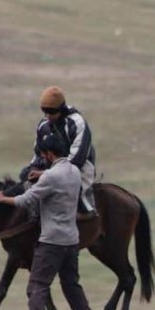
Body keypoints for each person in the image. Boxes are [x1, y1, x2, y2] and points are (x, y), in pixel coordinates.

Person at [0, 133, 101, 310]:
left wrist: (2, 198)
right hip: (72, 239)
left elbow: (27, 199)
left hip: (52, 240)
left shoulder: (50, 177)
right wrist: (43, 174)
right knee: (71, 284)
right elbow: (58, 174)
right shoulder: (73, 171)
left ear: (50, 154)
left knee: (37, 285)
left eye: (44, 155)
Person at [20, 86, 97, 218]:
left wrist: (46, 174)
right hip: (51, 168)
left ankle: (85, 213)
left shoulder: (77, 123)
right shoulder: (43, 125)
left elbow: (76, 160)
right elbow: (39, 153)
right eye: (45, 112)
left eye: (52, 113)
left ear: (61, 109)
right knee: (24, 176)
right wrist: (32, 170)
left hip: (78, 169)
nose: (48, 117)